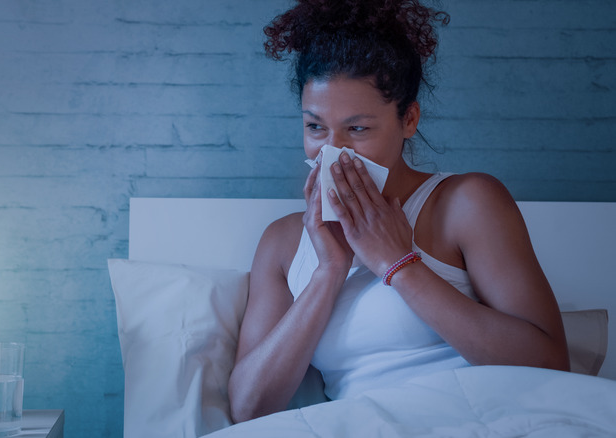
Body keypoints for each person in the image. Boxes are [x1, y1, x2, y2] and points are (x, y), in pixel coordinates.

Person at [227, 0, 570, 423]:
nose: (332, 151)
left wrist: (399, 264)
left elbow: (550, 366)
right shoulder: (282, 242)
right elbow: (248, 409)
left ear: (409, 119)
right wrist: (329, 271)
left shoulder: (466, 202)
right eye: (315, 126)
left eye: (358, 129)